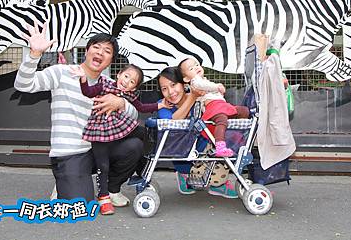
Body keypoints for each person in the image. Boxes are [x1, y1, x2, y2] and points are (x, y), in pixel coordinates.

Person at [14, 23, 143, 208]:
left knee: (135, 145)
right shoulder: (61, 72)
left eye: (107, 51)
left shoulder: (110, 84)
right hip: (71, 152)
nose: (100, 52)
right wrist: (34, 54)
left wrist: (121, 103)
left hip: (100, 149)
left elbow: (135, 113)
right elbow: (23, 85)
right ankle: (63, 184)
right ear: (87, 50)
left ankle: (111, 189)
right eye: (96, 47)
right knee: (79, 207)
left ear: (111, 60)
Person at [70, 63, 145, 214]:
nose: (127, 81)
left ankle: (140, 174)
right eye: (126, 76)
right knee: (102, 165)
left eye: (132, 82)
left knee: (142, 134)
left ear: (133, 88)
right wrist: (83, 79)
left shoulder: (128, 95)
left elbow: (143, 108)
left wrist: (161, 105)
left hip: (115, 133)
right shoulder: (104, 84)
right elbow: (88, 92)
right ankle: (103, 197)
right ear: (118, 74)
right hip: (98, 131)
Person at [155, 66, 238, 198]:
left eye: (173, 85)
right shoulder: (164, 105)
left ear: (183, 83)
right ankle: (186, 175)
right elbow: (172, 122)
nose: (170, 92)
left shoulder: (201, 97)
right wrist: (192, 98)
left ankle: (217, 182)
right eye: (164, 88)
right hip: (181, 154)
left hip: (203, 149)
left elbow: (216, 111)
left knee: (224, 138)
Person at [179, 57, 250, 157]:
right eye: (191, 69)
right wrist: (217, 87)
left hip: (221, 105)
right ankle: (220, 146)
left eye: (197, 65)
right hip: (213, 107)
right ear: (186, 78)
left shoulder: (205, 80)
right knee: (221, 120)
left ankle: (238, 135)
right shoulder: (195, 82)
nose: (196, 68)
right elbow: (203, 85)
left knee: (244, 111)